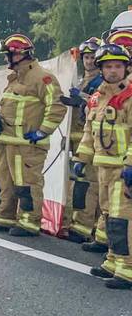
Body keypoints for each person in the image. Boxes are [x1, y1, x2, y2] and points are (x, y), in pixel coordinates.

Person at [0, 33, 66, 237]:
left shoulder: (42, 78)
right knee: (2, 180)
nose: (5, 59)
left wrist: (43, 131)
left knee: (26, 182)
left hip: (28, 144)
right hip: (7, 141)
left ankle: (29, 221)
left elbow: (57, 105)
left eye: (7, 54)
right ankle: (4, 216)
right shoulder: (14, 78)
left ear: (18, 55)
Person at [71, 42, 132, 289]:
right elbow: (89, 132)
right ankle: (113, 260)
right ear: (101, 69)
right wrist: (81, 159)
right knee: (107, 215)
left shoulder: (129, 96)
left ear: (126, 68)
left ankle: (127, 268)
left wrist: (130, 163)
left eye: (118, 66)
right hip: (103, 167)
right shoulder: (97, 98)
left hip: (121, 168)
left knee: (122, 218)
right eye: (108, 66)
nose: (113, 71)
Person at [62, 36, 104, 246]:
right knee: (80, 183)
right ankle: (88, 224)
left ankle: (83, 227)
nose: (88, 61)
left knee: (87, 186)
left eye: (92, 57)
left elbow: (100, 104)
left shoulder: (101, 82)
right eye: (86, 57)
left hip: (93, 143)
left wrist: (83, 98)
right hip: (79, 140)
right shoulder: (83, 80)